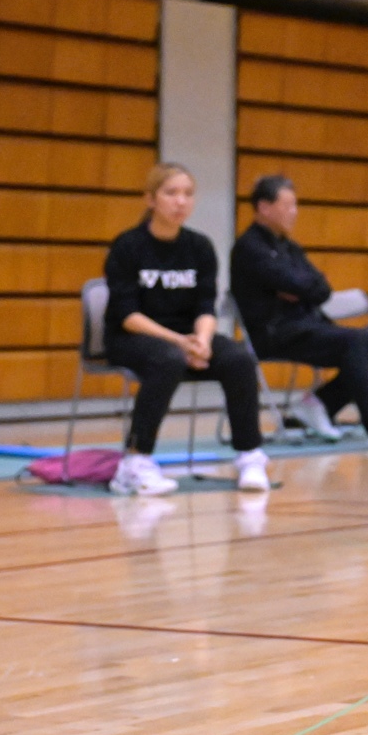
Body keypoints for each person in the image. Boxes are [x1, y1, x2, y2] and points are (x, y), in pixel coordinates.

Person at [101, 163, 270, 497]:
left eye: (188, 194)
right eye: (171, 193)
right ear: (150, 199)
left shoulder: (199, 247)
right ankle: (135, 462)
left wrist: (202, 342)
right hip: (132, 337)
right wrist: (180, 342)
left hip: (185, 337)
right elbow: (127, 314)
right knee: (167, 360)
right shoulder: (128, 246)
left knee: (237, 359)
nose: (181, 201)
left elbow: (206, 306)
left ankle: (249, 456)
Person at [231, 174, 368, 447]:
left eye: (295, 205)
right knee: (354, 341)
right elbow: (298, 283)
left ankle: (319, 403)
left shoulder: (290, 247)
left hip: (308, 325)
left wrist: (298, 288)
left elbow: (322, 289)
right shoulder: (249, 248)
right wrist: (300, 286)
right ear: (264, 207)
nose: (294, 212)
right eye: (287, 205)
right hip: (274, 332)